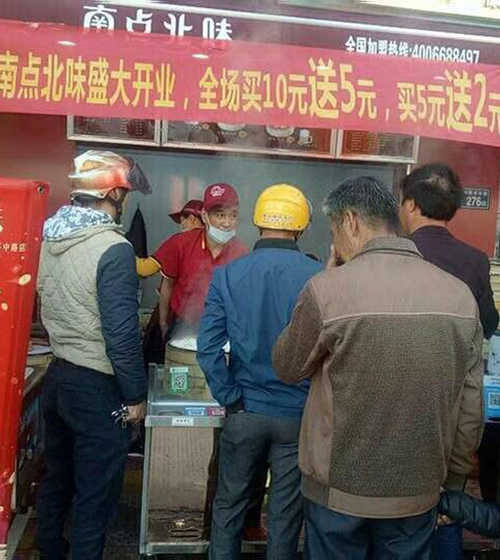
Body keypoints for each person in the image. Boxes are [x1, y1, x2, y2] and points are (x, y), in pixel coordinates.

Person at [272, 176, 484, 560]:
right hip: (418, 491)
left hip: (337, 494)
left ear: (351, 222)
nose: (335, 244)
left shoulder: (328, 289)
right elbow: (470, 408)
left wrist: (326, 277)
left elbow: (287, 366)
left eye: (334, 232)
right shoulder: (459, 296)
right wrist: (452, 479)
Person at [197, 184, 322, 560]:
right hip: (297, 416)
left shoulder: (228, 275)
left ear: (257, 222)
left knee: (229, 507)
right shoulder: (318, 278)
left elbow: (208, 348)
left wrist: (231, 398)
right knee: (285, 517)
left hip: (245, 411)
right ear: (301, 226)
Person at [36, 151, 150, 560]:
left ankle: (49, 550)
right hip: (96, 388)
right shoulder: (112, 248)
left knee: (57, 480)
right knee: (95, 497)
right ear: (114, 193)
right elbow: (121, 334)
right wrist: (135, 396)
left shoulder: (51, 238)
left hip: (57, 377)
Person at [399, 163, 499, 559]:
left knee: (395, 519)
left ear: (409, 205)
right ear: (452, 207)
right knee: (447, 509)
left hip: (397, 409)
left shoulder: (392, 256)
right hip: (454, 411)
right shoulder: (474, 261)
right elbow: (488, 324)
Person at [153, 183, 247, 338]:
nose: (227, 223)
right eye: (220, 215)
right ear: (204, 216)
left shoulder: (241, 252)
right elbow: (167, 285)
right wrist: (163, 322)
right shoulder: (181, 243)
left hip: (222, 326)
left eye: (233, 215)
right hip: (182, 323)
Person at [135, 198, 204, 278]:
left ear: (192, 219)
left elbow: (145, 269)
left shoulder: (179, 241)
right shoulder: (212, 241)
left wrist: (126, 250)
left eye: (182, 221)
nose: (181, 225)